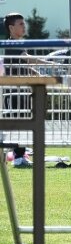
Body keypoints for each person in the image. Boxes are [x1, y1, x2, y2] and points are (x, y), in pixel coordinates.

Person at [2, 12, 35, 167]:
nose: (24, 26)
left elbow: (27, 65)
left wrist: (40, 75)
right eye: (20, 24)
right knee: (18, 124)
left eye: (24, 23)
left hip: (22, 91)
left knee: (23, 123)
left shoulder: (19, 44)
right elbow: (28, 59)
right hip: (14, 92)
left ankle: (20, 154)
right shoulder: (12, 44)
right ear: (11, 27)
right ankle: (18, 158)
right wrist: (49, 62)